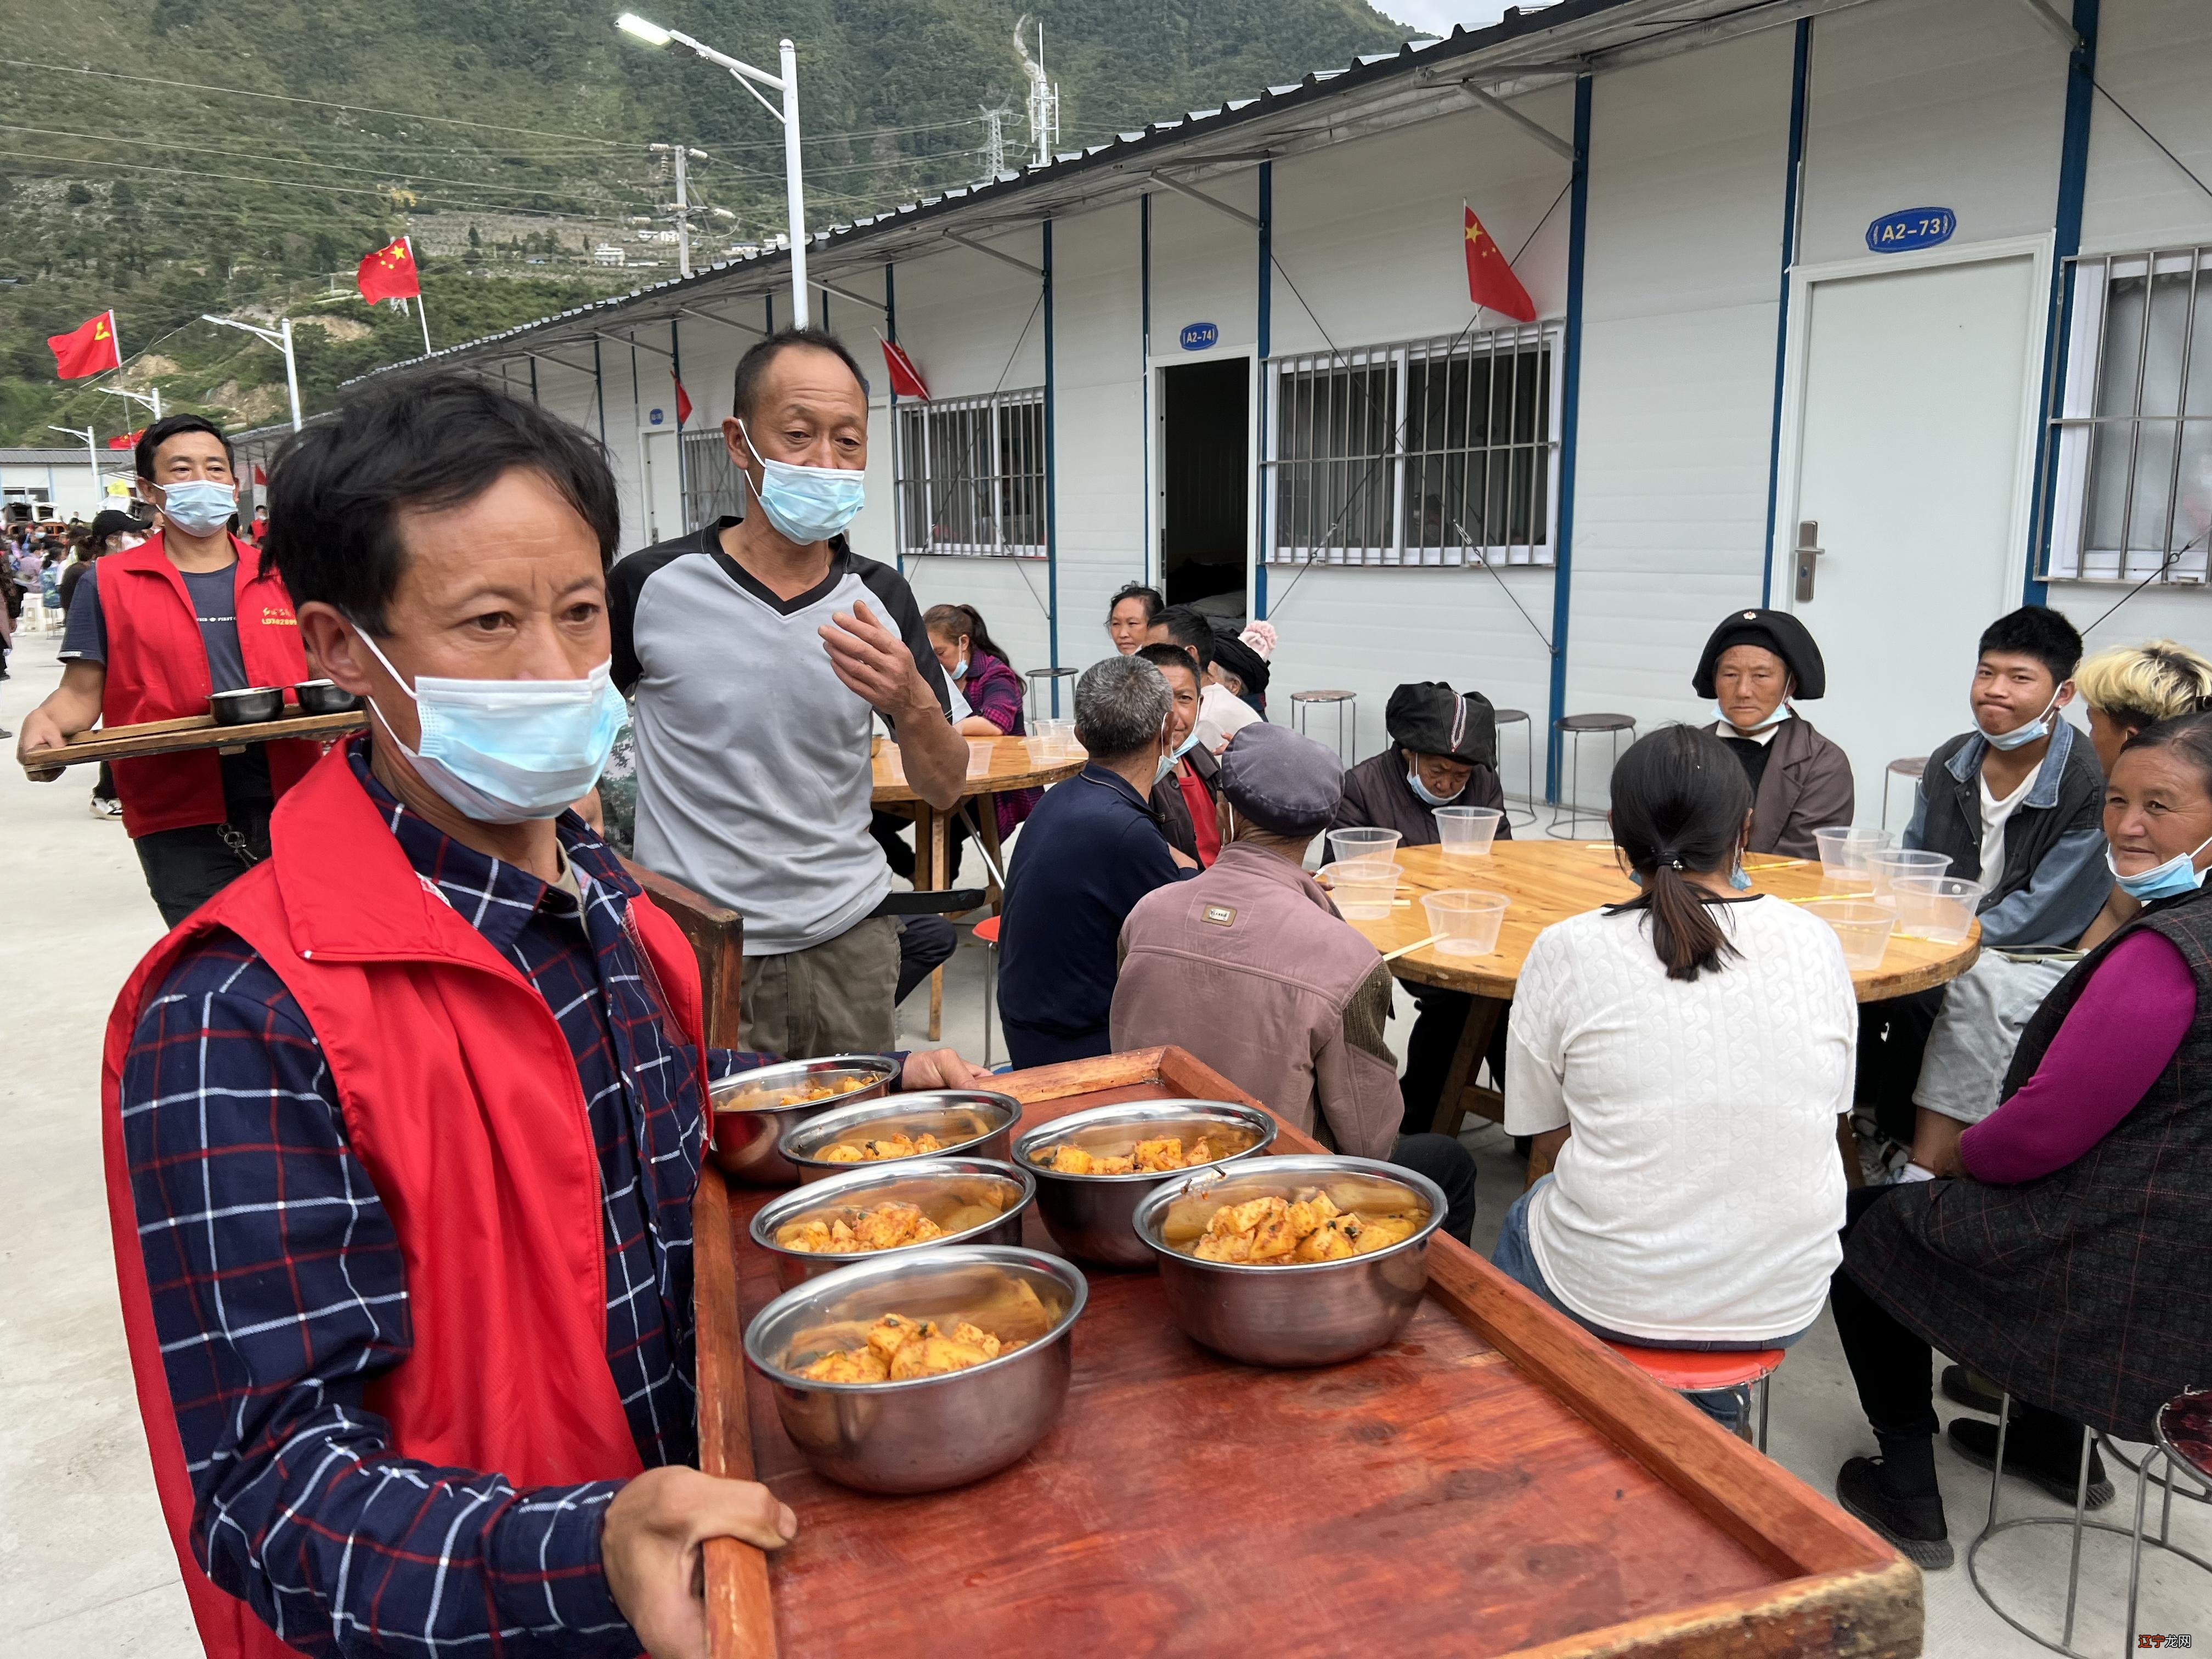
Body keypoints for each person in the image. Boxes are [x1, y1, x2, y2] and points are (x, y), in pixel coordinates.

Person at [103, 374, 986, 1659]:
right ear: (338, 648)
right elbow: (266, 1488)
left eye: (578, 614)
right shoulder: (244, 1014)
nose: (556, 668)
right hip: (526, 1611)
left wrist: (862, 1091)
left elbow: (661, 1096)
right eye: (486, 622)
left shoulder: (599, 888)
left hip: (711, 1529)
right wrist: (583, 1556)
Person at [1830, 712, 2212, 1569]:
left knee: (1865, 1228)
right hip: (2187, 1265)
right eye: (2117, 800)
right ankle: (2054, 1447)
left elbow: (2038, 1135)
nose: (2129, 825)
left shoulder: (2169, 955)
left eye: (2162, 805)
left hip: (2129, 1267)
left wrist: (1956, 1162)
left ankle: (1909, 1489)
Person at [610, 328, 968, 1058]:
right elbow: (571, 736)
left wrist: (911, 700)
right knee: (715, 1159)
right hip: (703, 950)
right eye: (800, 435)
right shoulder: (650, 586)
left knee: (859, 1153)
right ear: (739, 442)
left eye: (849, 442)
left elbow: (944, 786)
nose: (827, 464)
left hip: (850, 945)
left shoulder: (880, 597)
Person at [1493, 725, 1855, 1424]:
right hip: (1784, 1299)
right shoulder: (1816, 942)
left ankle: (1552, 1425)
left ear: (1613, 835)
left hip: (1608, 1295)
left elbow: (1544, 1142)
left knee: (1524, 1213)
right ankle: (1708, 1418)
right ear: (1745, 830)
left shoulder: (1567, 949)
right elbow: (1830, 1115)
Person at [1111, 723, 1479, 1242]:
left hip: (1151, 1168)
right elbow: (1370, 1142)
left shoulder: (1146, 915)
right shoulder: (1347, 958)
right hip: (1275, 1200)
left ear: (1225, 811)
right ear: (1321, 828)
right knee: (1447, 1160)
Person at [1906, 637, 2212, 1167]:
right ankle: (1927, 1163)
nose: (2086, 736)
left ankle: (1932, 1169)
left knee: (1982, 986)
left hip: (2113, 972)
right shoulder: (2126, 803)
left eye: (2094, 723)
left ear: (2130, 736)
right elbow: (2112, 918)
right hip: (2086, 955)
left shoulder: (2124, 805)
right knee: (1982, 982)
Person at [16, 415, 320, 926]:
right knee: (216, 964)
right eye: (182, 469)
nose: (202, 480)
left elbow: (325, 668)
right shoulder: (108, 583)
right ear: (149, 490)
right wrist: (46, 723)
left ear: (234, 483)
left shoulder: (281, 574)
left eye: (215, 468)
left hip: (296, 798)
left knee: (317, 949)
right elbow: (80, 693)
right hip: (176, 814)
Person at [1862, 607, 2109, 1161]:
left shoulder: (2086, 783)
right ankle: (1859, 1115)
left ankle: (1905, 1144)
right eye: (1985, 673)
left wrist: (1941, 939)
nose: (1995, 692)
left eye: (2020, 679)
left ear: (2062, 693)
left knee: (1924, 995)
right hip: (1939, 930)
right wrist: (1906, 922)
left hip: (2027, 951)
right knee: (1854, 976)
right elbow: (1915, 857)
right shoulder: (1952, 759)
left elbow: (2050, 911)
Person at [996, 654, 1197, 1065]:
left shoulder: (1068, 798)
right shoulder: (1121, 830)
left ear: (1081, 735)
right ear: (1166, 730)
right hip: (1076, 1046)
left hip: (1033, 1027)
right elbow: (1187, 932)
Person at [1332, 681, 1513, 1129]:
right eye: (1437, 770)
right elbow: (1345, 879)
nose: (1448, 784)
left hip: (1470, 919)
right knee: (1458, 998)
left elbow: (1506, 862)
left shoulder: (1484, 783)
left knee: (1511, 996)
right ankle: (1422, 1119)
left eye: (1461, 776)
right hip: (1397, 926)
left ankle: (1521, 1121)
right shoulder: (1364, 785)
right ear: (1407, 752)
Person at [1692, 608, 1853, 857]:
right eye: (1730, 674)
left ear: (1791, 685)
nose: (1743, 690)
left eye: (1761, 676)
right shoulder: (1685, 752)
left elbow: (1799, 863)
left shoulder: (1823, 764)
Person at [924, 601, 1041, 842]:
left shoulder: (995, 674)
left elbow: (995, 725)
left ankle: (939, 880)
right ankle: (920, 875)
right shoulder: (937, 680)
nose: (935, 662)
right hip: (950, 776)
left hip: (996, 785)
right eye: (929, 655)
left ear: (963, 643)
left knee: (941, 830)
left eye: (940, 653)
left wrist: (951, 729)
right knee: (879, 820)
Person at [1138, 641, 1221, 866]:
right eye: (1158, 698)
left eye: (1184, 698)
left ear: (1200, 704)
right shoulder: (1129, 777)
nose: (1173, 714)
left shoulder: (1200, 757)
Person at [1148, 602, 1259, 751]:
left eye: (1156, 652)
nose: (1145, 661)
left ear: (1189, 655)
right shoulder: (1214, 697)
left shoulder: (1204, 718)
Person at [1106, 580, 1163, 654]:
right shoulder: (1112, 665)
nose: (1122, 634)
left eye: (1132, 623)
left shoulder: (1173, 665)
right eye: (1116, 624)